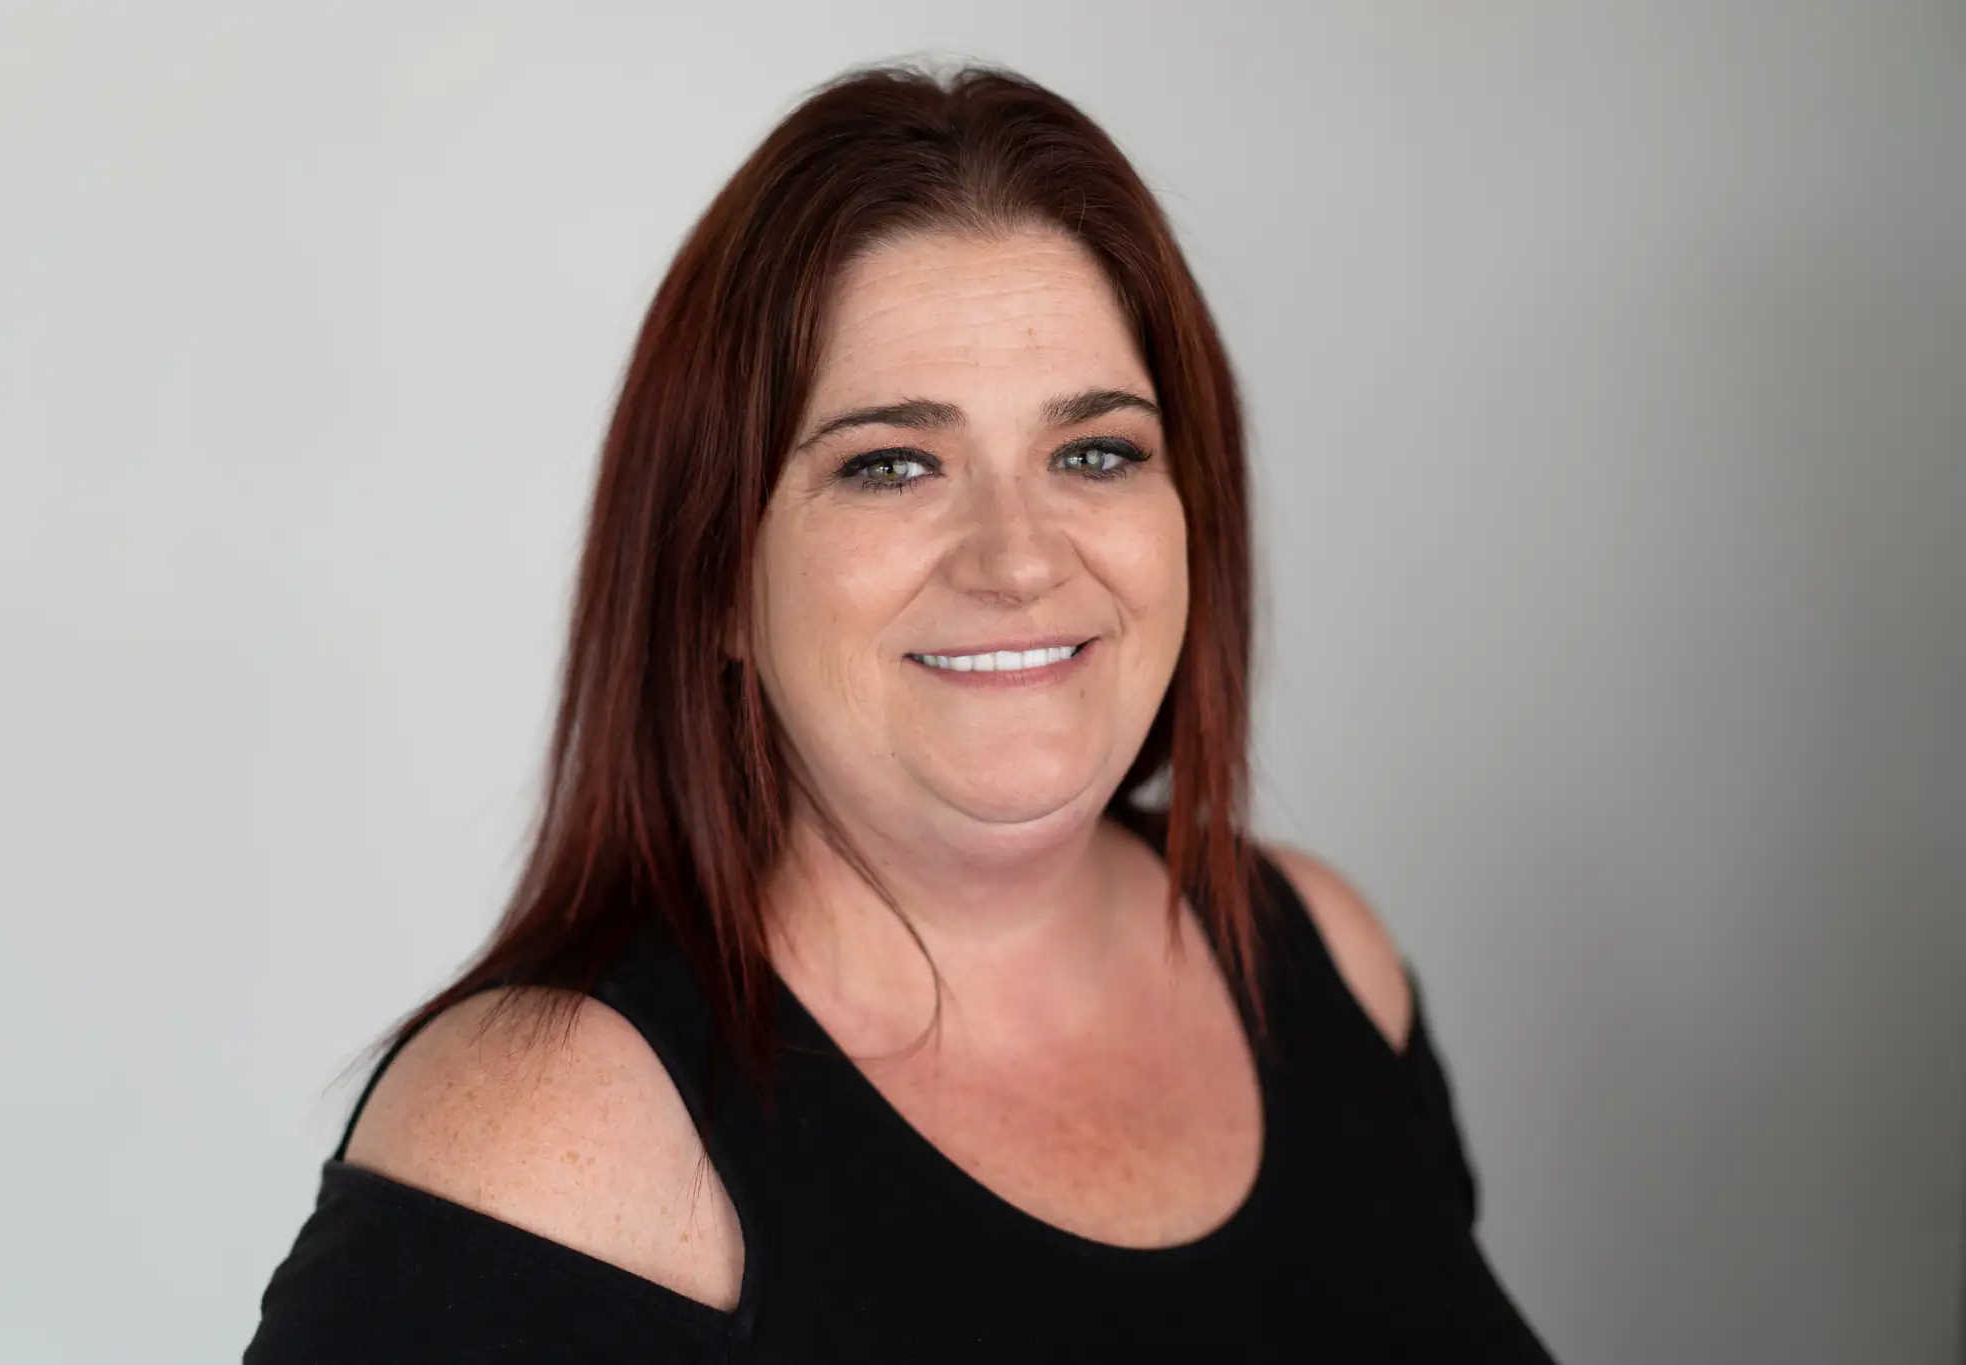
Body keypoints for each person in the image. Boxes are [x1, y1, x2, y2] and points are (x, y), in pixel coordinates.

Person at [244, 62, 1557, 1362]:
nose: (1019, 558)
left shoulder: (1322, 962)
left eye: (1096, 451)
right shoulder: (544, 1151)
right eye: (892, 465)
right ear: (711, 579)